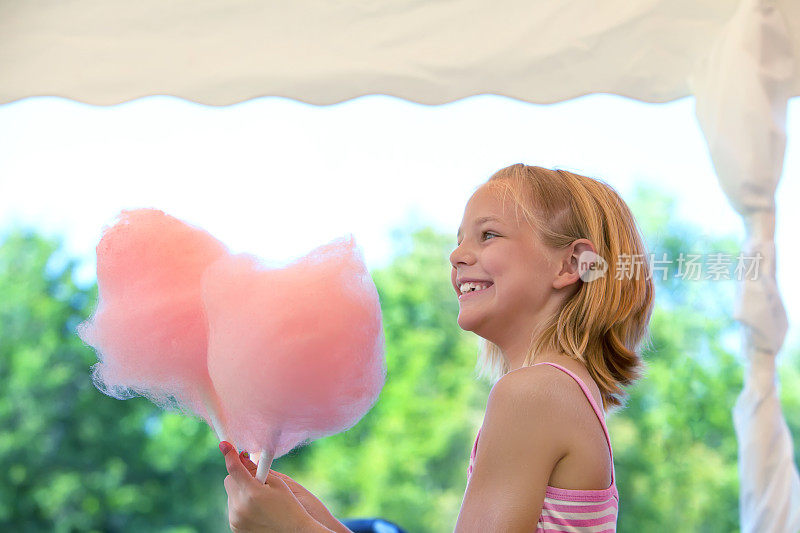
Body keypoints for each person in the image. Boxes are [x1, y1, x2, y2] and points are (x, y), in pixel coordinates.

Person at [218, 163, 655, 532]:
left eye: (488, 236)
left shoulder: (534, 394)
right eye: (459, 238)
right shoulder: (561, 392)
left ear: (571, 264)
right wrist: (319, 522)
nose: (457, 255)